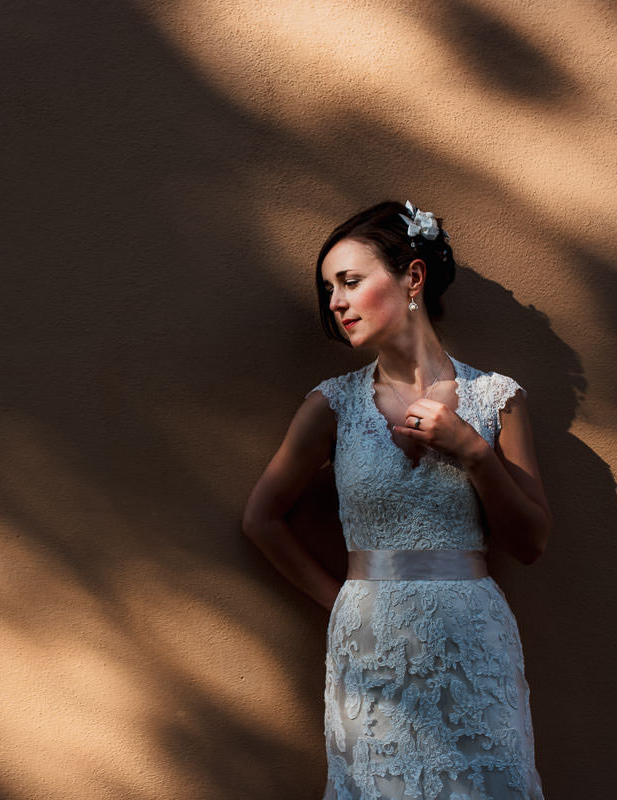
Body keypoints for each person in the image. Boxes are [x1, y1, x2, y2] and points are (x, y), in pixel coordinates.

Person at [242, 201, 551, 799]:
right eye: (328, 288)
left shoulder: (496, 400)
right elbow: (262, 519)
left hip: (473, 644)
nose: (335, 302)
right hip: (369, 649)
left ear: (412, 277)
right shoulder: (331, 405)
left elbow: (531, 542)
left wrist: (474, 453)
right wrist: (342, 605)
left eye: (350, 282)